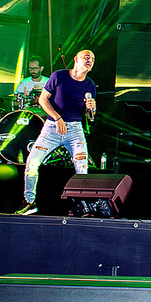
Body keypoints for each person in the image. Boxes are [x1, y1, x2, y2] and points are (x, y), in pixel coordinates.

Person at [16, 49, 97, 215]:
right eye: (87, 57)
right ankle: (29, 202)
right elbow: (42, 99)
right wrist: (57, 117)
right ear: (76, 59)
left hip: (74, 130)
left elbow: (90, 118)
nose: (90, 60)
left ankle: (80, 205)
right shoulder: (59, 76)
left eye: (93, 59)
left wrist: (92, 109)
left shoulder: (90, 85)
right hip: (52, 127)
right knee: (32, 163)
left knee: (82, 168)